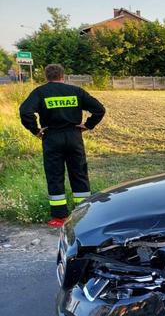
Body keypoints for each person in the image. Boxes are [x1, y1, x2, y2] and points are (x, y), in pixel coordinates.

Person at [19, 63, 106, 227]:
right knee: (79, 174)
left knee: (55, 176)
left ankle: (59, 218)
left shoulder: (40, 92)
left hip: (51, 137)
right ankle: (83, 215)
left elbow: (25, 112)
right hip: (74, 137)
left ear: (46, 77)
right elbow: (99, 109)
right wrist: (88, 125)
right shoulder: (76, 91)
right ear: (63, 76)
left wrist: (35, 130)